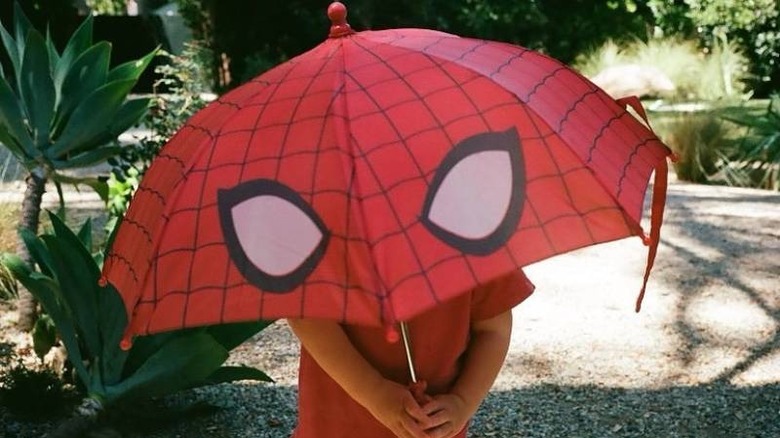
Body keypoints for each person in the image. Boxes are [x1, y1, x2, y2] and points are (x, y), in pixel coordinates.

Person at [288, 269, 535, 438]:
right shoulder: (329, 227)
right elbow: (304, 315)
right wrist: (374, 391)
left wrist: (463, 402)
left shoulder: (475, 230)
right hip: (338, 425)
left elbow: (493, 331)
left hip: (436, 423)